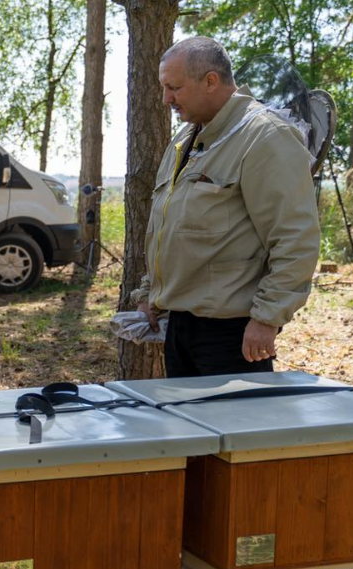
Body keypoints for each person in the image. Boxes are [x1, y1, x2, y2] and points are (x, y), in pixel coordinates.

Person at [131, 37, 319, 378]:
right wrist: (149, 294)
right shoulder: (184, 139)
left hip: (233, 334)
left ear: (210, 81)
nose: (166, 99)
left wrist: (267, 318)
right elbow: (165, 225)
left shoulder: (264, 136)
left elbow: (296, 238)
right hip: (180, 326)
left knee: (240, 431)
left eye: (174, 88)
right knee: (186, 431)